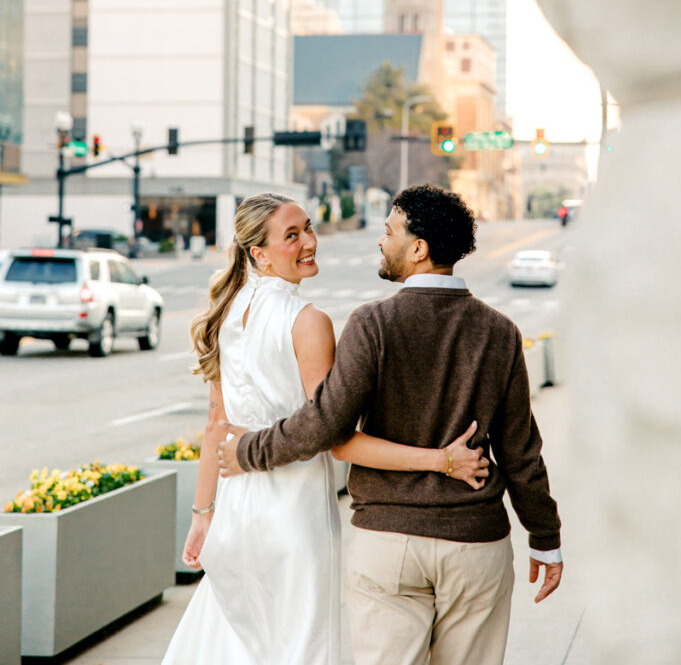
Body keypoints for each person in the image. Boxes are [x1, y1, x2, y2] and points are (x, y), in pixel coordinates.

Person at [218, 184, 563, 665]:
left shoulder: (372, 323)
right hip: (476, 543)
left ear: (418, 249)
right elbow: (521, 451)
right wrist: (544, 539)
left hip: (388, 543)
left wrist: (248, 451)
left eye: (389, 231)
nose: (380, 241)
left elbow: (324, 423)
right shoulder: (499, 331)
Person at [161, 192, 488, 665]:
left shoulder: (227, 314)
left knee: (232, 645)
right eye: (291, 236)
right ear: (259, 252)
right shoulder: (307, 321)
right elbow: (333, 435)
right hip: (294, 518)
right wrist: (440, 460)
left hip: (235, 513)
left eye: (308, 228)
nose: (309, 241)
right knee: (303, 648)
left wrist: (203, 513)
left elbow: (217, 424)